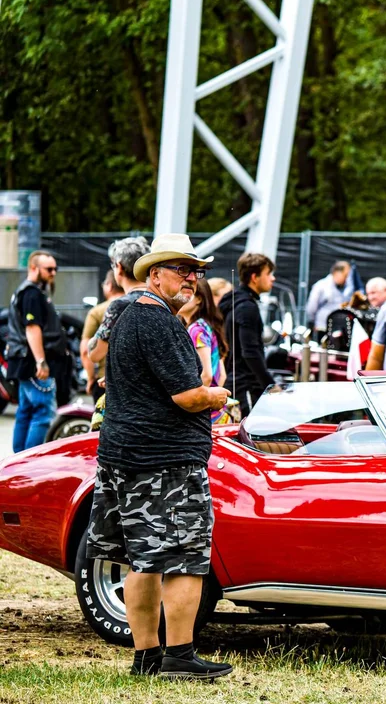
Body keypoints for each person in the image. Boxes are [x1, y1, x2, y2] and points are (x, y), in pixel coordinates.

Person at [85, 233, 231, 679]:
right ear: (154, 273)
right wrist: (216, 395)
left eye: (197, 271)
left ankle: (146, 656)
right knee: (184, 557)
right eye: (183, 269)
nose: (193, 278)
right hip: (165, 461)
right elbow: (186, 396)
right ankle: (179, 655)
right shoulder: (160, 323)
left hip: (122, 455)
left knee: (138, 559)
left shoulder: (126, 313)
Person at [6, 251, 64, 453]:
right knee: (42, 412)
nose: (53, 273)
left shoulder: (25, 291)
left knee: (26, 411)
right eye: (49, 269)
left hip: (22, 360)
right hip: (32, 363)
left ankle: (18, 463)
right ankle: (29, 462)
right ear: (33, 268)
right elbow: (32, 328)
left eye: (56, 268)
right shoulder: (31, 294)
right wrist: (41, 361)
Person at [220, 252, 277, 417]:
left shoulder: (234, 301)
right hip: (246, 387)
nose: (272, 279)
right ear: (254, 277)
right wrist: (270, 385)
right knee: (248, 437)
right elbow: (250, 352)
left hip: (235, 381)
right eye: (268, 274)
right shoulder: (246, 307)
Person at [87, 236, 152, 367]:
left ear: (119, 267)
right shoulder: (161, 300)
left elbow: (95, 354)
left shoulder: (120, 306)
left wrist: (91, 343)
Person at [179, 278, 230, 424]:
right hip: (218, 413)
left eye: (186, 293)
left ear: (199, 299)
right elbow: (222, 376)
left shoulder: (196, 329)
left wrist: (193, 400)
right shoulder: (205, 326)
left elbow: (206, 375)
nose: (179, 298)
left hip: (206, 414)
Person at [80, 271, 122, 400]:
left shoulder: (97, 312)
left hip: (104, 380)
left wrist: (91, 378)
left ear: (109, 285)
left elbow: (85, 350)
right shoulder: (139, 305)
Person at [305, 261, 354, 339]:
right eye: (345, 276)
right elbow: (311, 308)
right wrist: (312, 323)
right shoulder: (321, 286)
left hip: (339, 331)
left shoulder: (346, 288)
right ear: (337, 273)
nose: (346, 279)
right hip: (322, 329)